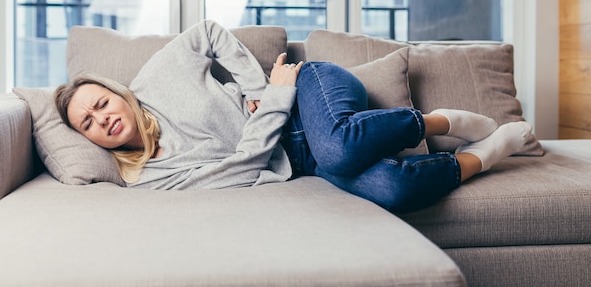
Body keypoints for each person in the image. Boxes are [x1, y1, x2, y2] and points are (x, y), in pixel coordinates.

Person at [54, 20, 533, 213]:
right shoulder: (148, 178)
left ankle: (437, 122)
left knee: (339, 145)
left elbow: (207, 32)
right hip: (301, 155)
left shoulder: (154, 79)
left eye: (101, 104)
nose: (102, 120)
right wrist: (274, 104)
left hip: (311, 90)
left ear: (116, 93)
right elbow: (242, 169)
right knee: (393, 189)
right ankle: (484, 157)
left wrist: (262, 88)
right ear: (89, 140)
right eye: (88, 125)